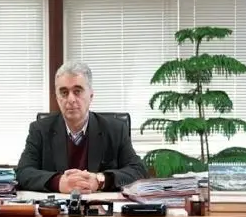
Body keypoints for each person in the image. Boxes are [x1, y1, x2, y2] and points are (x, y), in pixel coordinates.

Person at [15, 61, 149, 193]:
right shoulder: (40, 130)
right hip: (57, 206)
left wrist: (100, 180)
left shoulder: (115, 130)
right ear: (57, 98)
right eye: (64, 92)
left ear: (91, 95)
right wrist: (59, 182)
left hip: (100, 205)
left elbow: (138, 170)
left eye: (77, 91)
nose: (71, 99)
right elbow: (23, 172)